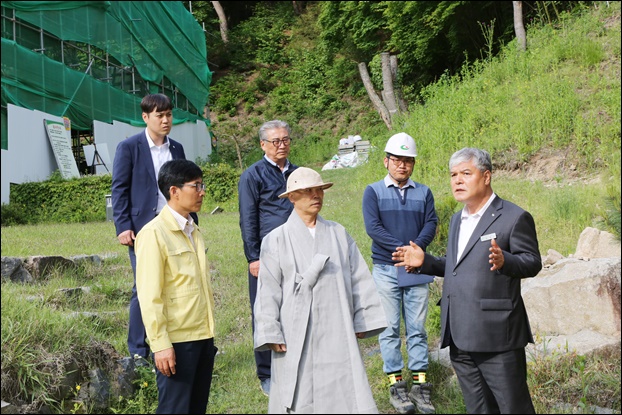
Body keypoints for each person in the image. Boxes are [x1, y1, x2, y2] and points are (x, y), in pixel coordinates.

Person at [392, 147, 542, 414]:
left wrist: (506, 260)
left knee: (513, 407)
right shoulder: (456, 220)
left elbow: (532, 262)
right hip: (459, 334)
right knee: (478, 409)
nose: (457, 181)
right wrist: (425, 261)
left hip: (497, 336)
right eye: (453, 175)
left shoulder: (513, 217)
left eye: (465, 173)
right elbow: (457, 266)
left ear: (486, 176)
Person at [253, 167, 388, 413]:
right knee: (301, 390)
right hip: (295, 328)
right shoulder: (276, 239)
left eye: (319, 190)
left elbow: (359, 277)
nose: (316, 195)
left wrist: (363, 318)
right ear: (291, 197)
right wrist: (270, 330)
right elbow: (267, 289)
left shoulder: (338, 233)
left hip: (337, 324)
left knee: (342, 387)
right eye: (307, 191)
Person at [111, 93, 197, 364]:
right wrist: (123, 225)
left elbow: (185, 186)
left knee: (178, 283)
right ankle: (138, 350)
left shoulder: (177, 148)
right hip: (143, 228)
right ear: (145, 117)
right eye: (159, 115)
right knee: (144, 287)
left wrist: (192, 220)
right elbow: (119, 188)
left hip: (176, 224)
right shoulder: (129, 147)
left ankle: (178, 340)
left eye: (169, 115)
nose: (166, 120)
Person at [362, 132, 438, 414]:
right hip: (386, 269)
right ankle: (397, 386)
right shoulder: (373, 192)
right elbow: (373, 227)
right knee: (390, 328)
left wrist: (415, 250)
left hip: (416, 268)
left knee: (417, 329)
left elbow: (431, 222)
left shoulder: (424, 192)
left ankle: (420, 386)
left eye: (408, 161)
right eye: (397, 160)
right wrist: (403, 249)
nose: (402, 165)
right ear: (386, 161)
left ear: (413, 164)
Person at [135, 159, 216, 414]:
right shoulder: (154, 234)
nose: (202, 192)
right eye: (196, 186)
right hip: (177, 341)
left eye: (202, 185)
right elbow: (149, 296)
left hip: (202, 335)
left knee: (196, 408)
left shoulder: (193, 230)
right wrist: (160, 344)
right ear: (174, 191)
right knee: (175, 409)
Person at [238, 119, 298, 396]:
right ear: (263, 145)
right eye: (275, 141)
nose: (281, 145)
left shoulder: (298, 173)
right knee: (264, 311)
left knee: (295, 307)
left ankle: (294, 363)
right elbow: (248, 218)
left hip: (296, 250)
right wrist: (253, 257)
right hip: (266, 254)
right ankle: (266, 373)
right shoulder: (253, 175)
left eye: (285, 139)